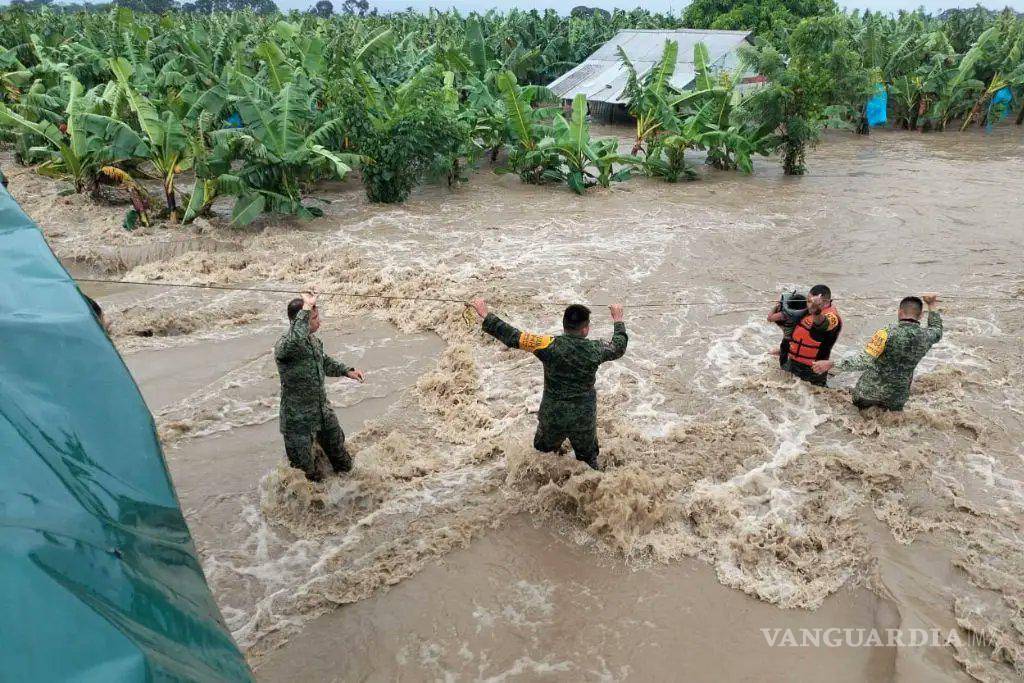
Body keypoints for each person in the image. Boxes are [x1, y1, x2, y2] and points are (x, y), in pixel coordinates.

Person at [470, 299, 628, 471]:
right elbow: (618, 347)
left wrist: (485, 313)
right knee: (589, 462)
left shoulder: (546, 344)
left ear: (564, 325)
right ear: (585, 329)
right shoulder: (595, 349)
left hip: (553, 414)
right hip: (582, 418)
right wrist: (618, 319)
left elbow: (512, 336)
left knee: (542, 456)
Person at [274, 290, 365, 482]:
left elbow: (322, 361)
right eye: (314, 318)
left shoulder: (312, 341)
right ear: (301, 320)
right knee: (305, 476)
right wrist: (306, 307)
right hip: (298, 421)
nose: (319, 321)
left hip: (321, 412)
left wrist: (346, 371)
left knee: (343, 460)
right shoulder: (285, 346)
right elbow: (295, 340)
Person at [813, 294, 942, 411]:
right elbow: (936, 328)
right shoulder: (928, 336)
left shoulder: (886, 333)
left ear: (900, 312)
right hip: (896, 399)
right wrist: (931, 304)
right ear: (920, 316)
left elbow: (864, 361)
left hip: (867, 395)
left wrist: (832, 363)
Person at [779, 284, 842, 386]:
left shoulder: (833, 317)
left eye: (811, 301)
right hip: (792, 363)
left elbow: (822, 325)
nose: (808, 304)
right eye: (808, 300)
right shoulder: (807, 310)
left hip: (813, 370)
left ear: (825, 302)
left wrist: (815, 310)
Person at [767, 290, 808, 366]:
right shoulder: (807, 313)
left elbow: (770, 318)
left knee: (783, 363)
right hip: (801, 341)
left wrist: (776, 306)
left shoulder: (785, 315)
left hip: (788, 341)